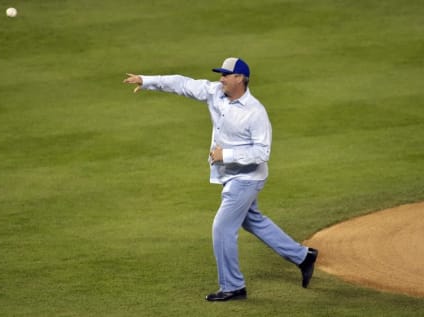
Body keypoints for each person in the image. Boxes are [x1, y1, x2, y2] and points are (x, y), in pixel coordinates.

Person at [123, 57, 318, 301]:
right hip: (231, 175)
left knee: (222, 229)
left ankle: (233, 287)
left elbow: (262, 153)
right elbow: (183, 84)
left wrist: (225, 154)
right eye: (221, 74)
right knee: (252, 220)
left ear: (240, 79)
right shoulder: (215, 92)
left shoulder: (255, 112)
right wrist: (147, 80)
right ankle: (303, 256)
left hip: (247, 178)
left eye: (226, 74)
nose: (221, 78)